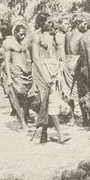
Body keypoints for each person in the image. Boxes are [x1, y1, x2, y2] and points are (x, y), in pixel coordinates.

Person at [32, 12, 67, 144]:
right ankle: (59, 134)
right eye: (47, 22)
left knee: (51, 101)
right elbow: (35, 58)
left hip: (53, 70)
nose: (50, 24)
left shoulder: (51, 34)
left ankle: (45, 131)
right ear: (41, 22)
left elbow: (58, 51)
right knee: (48, 101)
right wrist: (45, 75)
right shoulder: (36, 36)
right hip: (42, 70)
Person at [4, 24, 33, 130]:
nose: (23, 36)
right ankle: (22, 122)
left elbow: (28, 57)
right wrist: (9, 77)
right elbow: (7, 61)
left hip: (26, 72)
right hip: (15, 72)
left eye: (24, 34)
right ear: (15, 33)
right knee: (18, 98)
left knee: (27, 97)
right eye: (21, 34)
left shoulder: (25, 42)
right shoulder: (8, 43)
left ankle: (24, 118)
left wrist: (29, 68)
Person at [62, 15, 87, 125]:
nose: (85, 26)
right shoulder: (82, 36)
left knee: (69, 92)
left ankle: (71, 118)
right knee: (81, 91)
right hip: (76, 62)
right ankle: (85, 118)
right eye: (83, 24)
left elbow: (66, 50)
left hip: (67, 62)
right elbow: (82, 53)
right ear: (78, 24)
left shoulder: (67, 34)